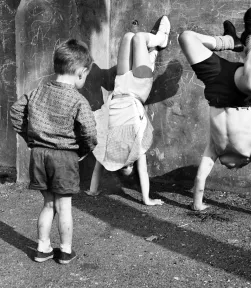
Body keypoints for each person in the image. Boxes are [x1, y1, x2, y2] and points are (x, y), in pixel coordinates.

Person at [178, 6, 251, 218]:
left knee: (186, 37)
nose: (229, 167)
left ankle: (229, 41)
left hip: (216, 84)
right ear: (246, 162)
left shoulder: (215, 148)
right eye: (236, 167)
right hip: (241, 92)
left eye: (225, 167)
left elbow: (200, 179)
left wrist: (197, 204)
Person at [10, 39, 97, 263]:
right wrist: (84, 150)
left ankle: (42, 248)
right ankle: (65, 250)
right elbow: (89, 131)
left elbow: (15, 111)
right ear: (80, 72)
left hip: (39, 155)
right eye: (85, 75)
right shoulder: (78, 100)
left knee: (49, 204)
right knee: (64, 206)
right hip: (64, 156)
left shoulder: (37, 92)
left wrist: (30, 138)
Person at [85, 16, 171, 206]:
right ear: (131, 164)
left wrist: (93, 191)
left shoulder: (106, 152)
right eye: (128, 167)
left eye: (124, 167)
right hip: (137, 90)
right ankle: (160, 39)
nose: (126, 164)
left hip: (120, 86)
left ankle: (152, 51)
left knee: (127, 38)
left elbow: (97, 171)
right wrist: (147, 200)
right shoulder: (135, 149)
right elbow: (144, 174)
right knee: (139, 38)